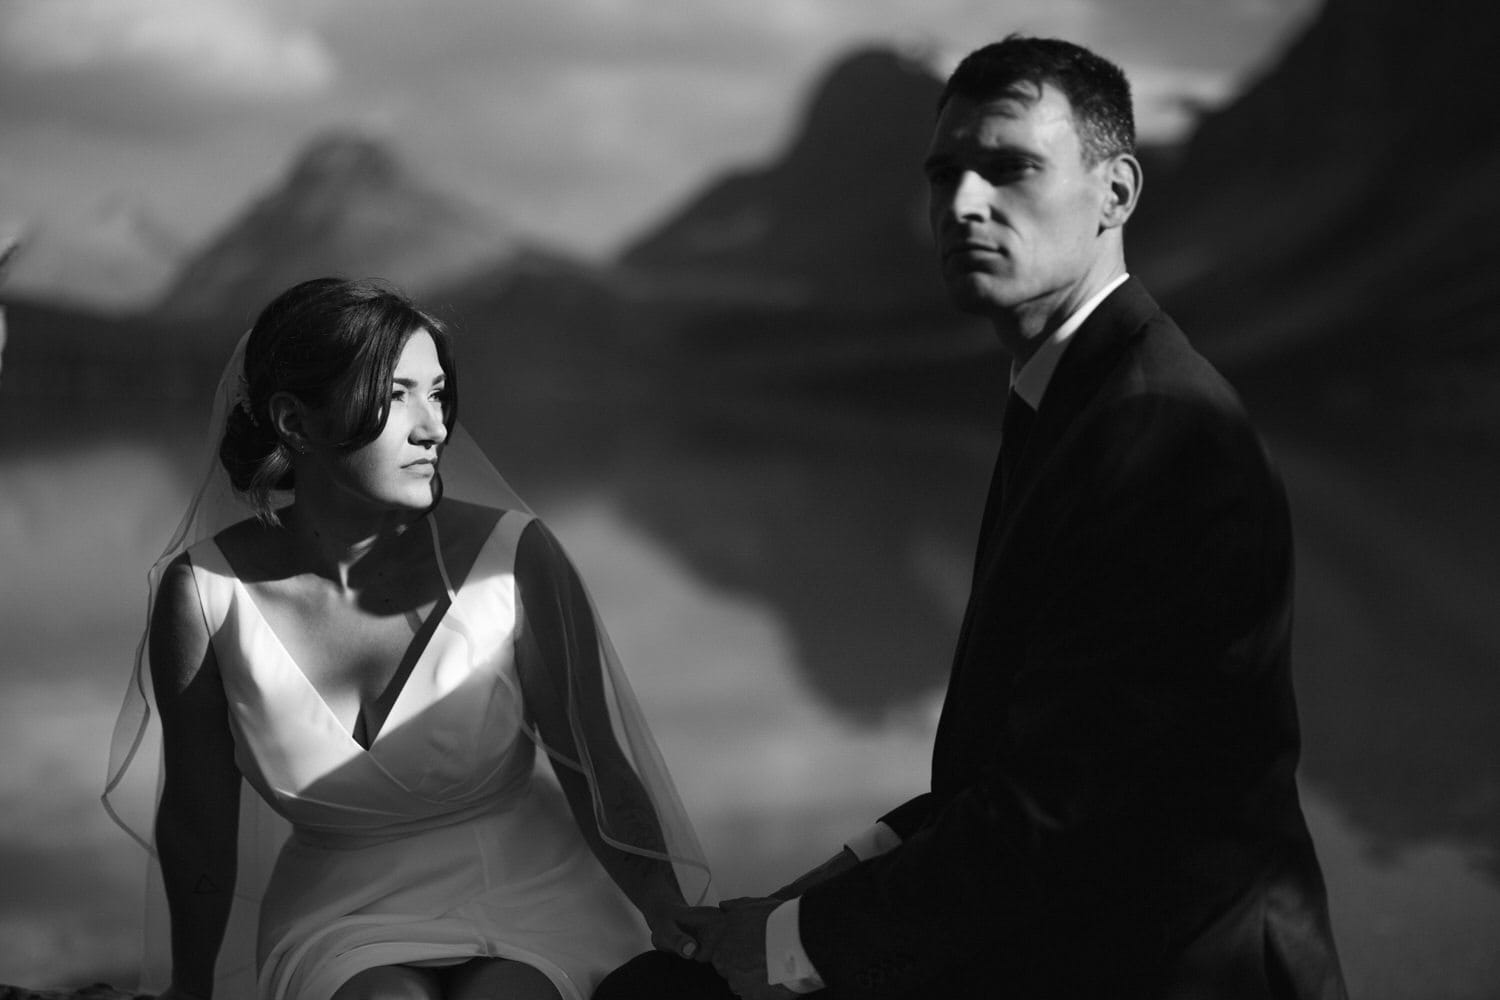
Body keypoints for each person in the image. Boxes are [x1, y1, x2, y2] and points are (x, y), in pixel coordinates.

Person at [597, 34, 1347, 1000]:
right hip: (1072, 923)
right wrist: (833, 878)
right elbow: (1017, 762)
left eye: (1010, 168)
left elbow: (1059, 815)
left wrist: (788, 946)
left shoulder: (1156, 430)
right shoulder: (1074, 393)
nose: (961, 204)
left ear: (1117, 193)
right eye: (945, 172)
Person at [103, 277, 712, 1000]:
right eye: (396, 396)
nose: (433, 427)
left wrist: (668, 913)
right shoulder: (204, 594)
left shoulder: (514, 558)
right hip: (338, 906)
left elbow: (596, 767)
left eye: (438, 392)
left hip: (525, 883)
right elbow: (198, 821)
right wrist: (191, 987)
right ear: (296, 425)